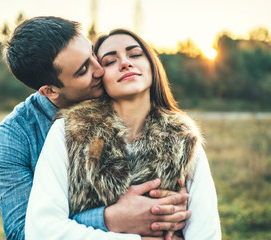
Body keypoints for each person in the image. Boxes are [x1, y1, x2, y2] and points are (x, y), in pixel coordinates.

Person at [0, 16, 190, 239]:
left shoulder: (119, 90)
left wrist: (176, 204)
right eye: (83, 70)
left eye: (93, 55)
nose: (100, 70)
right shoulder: (16, 134)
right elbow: (23, 232)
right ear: (50, 91)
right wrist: (109, 219)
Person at [25, 29, 222, 239]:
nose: (125, 63)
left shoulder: (183, 139)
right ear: (99, 77)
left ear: (152, 65)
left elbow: (206, 233)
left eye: (135, 54)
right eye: (109, 61)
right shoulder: (68, 132)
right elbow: (41, 231)